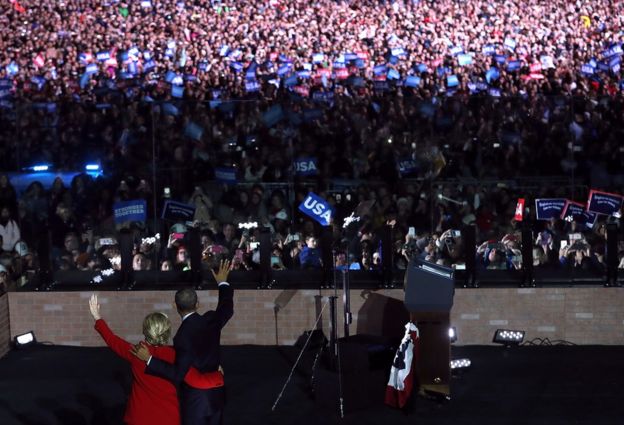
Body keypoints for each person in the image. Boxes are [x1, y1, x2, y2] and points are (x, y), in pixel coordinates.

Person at [89, 295, 224, 425]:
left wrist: (97, 317)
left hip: (139, 418)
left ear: (145, 331)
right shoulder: (175, 356)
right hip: (168, 419)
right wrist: (218, 376)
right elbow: (197, 380)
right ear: (167, 332)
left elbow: (112, 340)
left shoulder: (136, 352)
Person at [131, 260, 234, 425]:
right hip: (217, 395)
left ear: (175, 306)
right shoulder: (211, 320)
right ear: (197, 304)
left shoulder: (182, 337)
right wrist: (222, 282)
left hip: (197, 401)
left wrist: (149, 359)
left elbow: (178, 374)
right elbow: (227, 307)